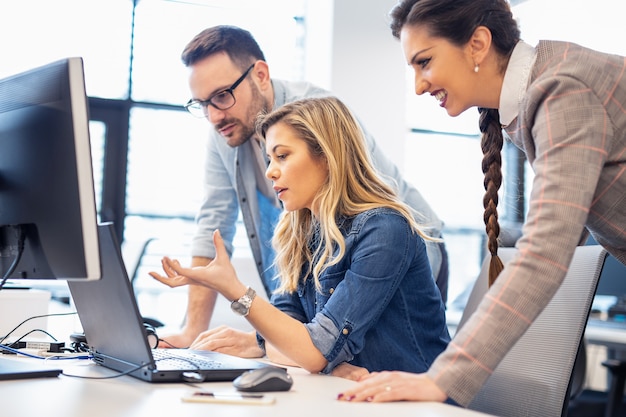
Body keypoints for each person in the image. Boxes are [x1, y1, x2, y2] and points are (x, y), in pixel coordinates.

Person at [338, 0, 626, 406]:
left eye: (424, 62)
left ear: (477, 44)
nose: (419, 85)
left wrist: (443, 379)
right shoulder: (537, 95)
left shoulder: (562, 90)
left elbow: (546, 252)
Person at [160, 25, 450, 350]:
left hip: (406, 250)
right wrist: (192, 334)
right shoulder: (228, 135)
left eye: (222, 96)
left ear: (260, 74)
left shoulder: (319, 115)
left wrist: (321, 350)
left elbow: (375, 217)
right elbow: (212, 225)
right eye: (202, 104)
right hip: (331, 299)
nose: (213, 116)